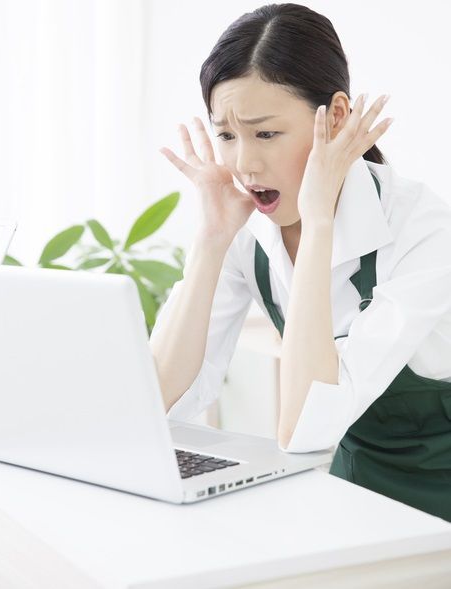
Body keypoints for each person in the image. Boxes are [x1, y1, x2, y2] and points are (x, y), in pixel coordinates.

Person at [149, 3, 451, 521]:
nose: (245, 164)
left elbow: (302, 428)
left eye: (266, 134)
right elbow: (156, 403)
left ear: (335, 117)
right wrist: (211, 240)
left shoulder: (424, 229)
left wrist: (318, 224)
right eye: (227, 136)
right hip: (357, 494)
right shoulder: (247, 232)